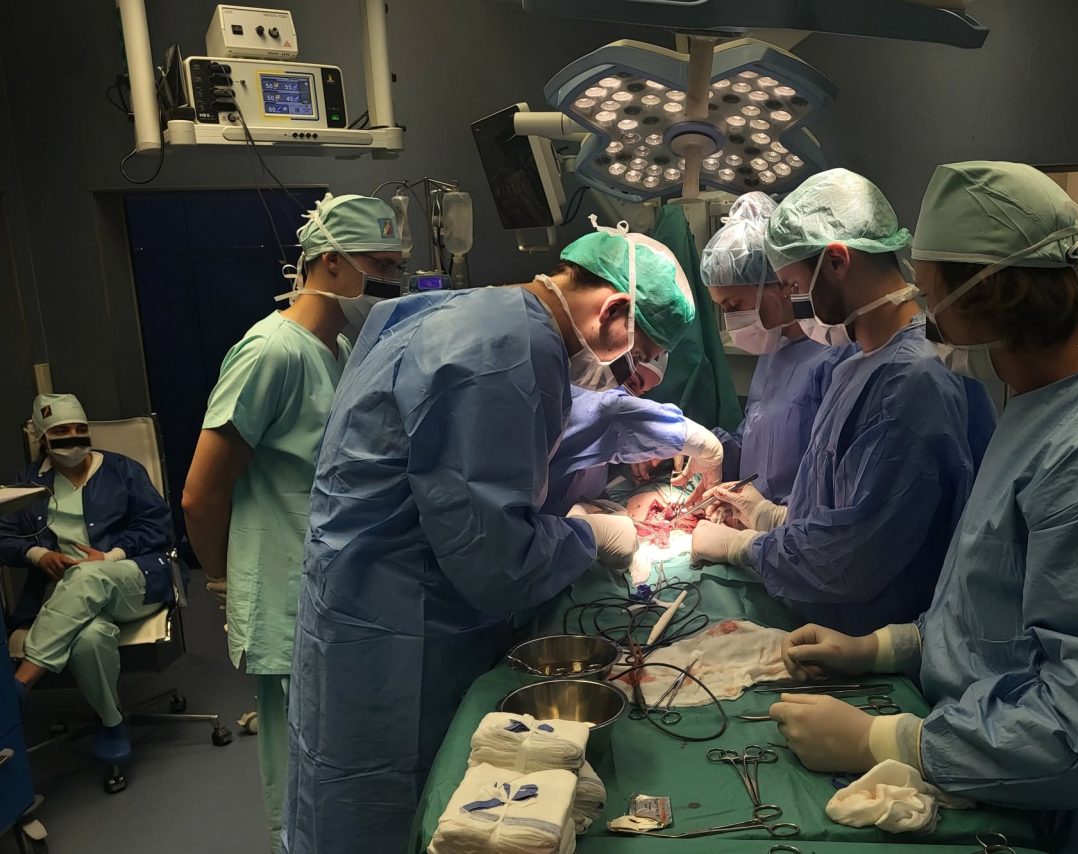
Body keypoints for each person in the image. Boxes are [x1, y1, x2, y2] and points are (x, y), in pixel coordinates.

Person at [769, 162, 1078, 854]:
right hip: (996, 776)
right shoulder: (1039, 412)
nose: (925, 312)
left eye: (932, 291)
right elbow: (992, 614)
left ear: (987, 294)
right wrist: (883, 648)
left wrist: (886, 739)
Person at [284, 217, 696, 854]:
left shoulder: (474, 313)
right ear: (614, 311)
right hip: (401, 622)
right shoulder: (506, 351)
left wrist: (675, 434)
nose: (629, 371)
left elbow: (540, 426)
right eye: (637, 355)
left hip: (360, 596)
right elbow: (496, 560)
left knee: (343, 791)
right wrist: (589, 537)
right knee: (391, 804)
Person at [183, 193, 402, 854]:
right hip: (284, 590)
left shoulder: (338, 347)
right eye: (379, 265)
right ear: (329, 261)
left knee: (338, 765)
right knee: (301, 777)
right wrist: (221, 581)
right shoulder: (271, 352)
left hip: (328, 584)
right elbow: (200, 495)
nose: (390, 280)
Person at [691, 169, 995, 635]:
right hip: (825, 618)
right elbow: (832, 504)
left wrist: (743, 548)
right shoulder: (861, 364)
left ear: (836, 262)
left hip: (867, 638)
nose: (793, 304)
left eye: (792, 286)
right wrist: (771, 517)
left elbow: (855, 559)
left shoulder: (911, 381)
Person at [0, 393, 173, 767]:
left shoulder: (123, 471)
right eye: (61, 431)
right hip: (66, 597)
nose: (73, 438)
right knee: (89, 639)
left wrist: (110, 557)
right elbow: (3, 536)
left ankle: (20, 683)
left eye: (80, 428)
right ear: (43, 438)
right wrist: (37, 554)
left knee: (88, 574)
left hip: (133, 580)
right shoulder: (28, 484)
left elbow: (158, 525)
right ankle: (112, 722)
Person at [699, 191, 855, 503]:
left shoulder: (837, 356)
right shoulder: (772, 352)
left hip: (795, 526)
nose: (731, 320)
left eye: (734, 305)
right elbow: (755, 443)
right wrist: (711, 451)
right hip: (756, 526)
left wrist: (772, 518)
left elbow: (834, 480)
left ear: (780, 285)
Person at [544, 356, 724, 517]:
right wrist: (704, 446)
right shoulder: (579, 399)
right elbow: (612, 414)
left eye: (641, 393)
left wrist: (635, 451)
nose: (632, 397)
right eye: (631, 382)